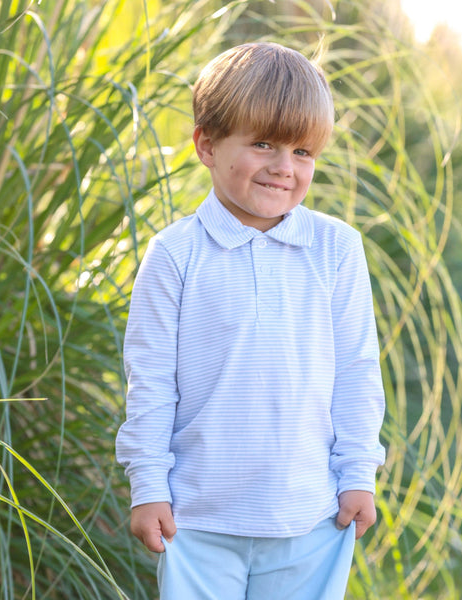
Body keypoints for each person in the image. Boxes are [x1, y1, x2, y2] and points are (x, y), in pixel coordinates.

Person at [115, 42, 386, 600]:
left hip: (311, 517)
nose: (284, 167)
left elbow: (358, 371)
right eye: (263, 143)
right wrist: (148, 486)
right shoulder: (175, 255)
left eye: (303, 151)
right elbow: (151, 382)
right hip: (197, 519)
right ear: (207, 146)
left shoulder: (336, 249)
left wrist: (358, 474)